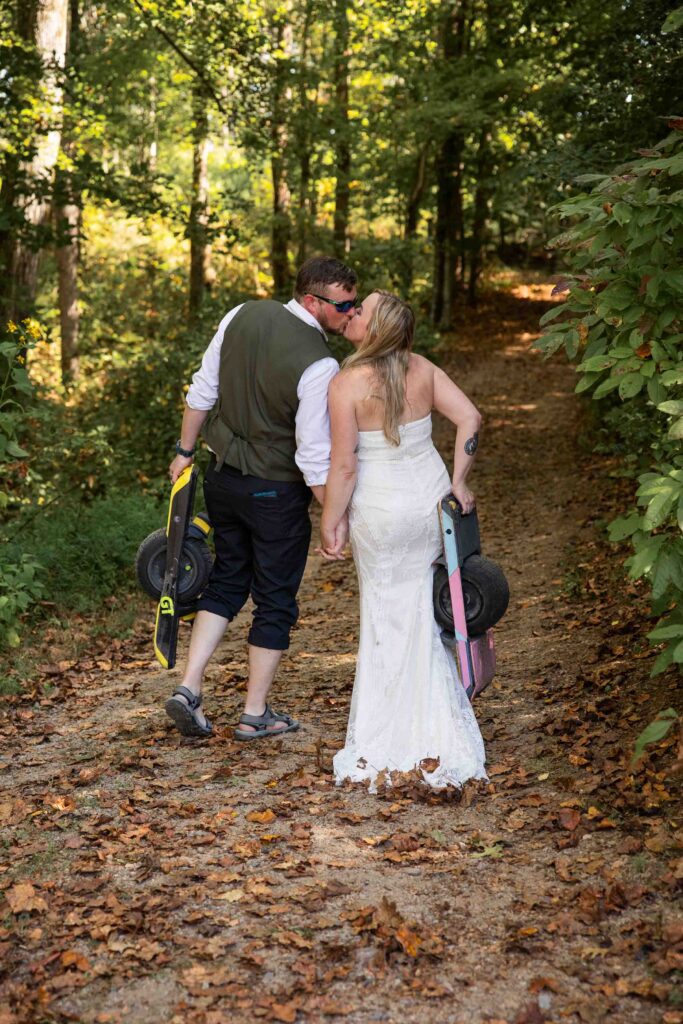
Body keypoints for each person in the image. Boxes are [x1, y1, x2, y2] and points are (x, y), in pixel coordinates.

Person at [165, 255, 356, 740]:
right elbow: (312, 453)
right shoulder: (320, 362)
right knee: (274, 598)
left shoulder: (241, 314)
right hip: (276, 492)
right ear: (312, 301)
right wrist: (334, 517)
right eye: (342, 305)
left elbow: (202, 392)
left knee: (227, 580)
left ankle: (189, 687)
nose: (350, 314)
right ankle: (255, 713)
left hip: (222, 479)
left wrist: (185, 452)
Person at [319, 291, 487, 791]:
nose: (353, 313)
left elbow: (344, 466)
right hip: (429, 503)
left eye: (361, 310)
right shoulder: (424, 369)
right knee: (421, 611)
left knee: (386, 615)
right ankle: (435, 725)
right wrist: (459, 481)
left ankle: (389, 732)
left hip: (382, 512)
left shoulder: (346, 384)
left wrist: (330, 520)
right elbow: (471, 417)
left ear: (375, 330)